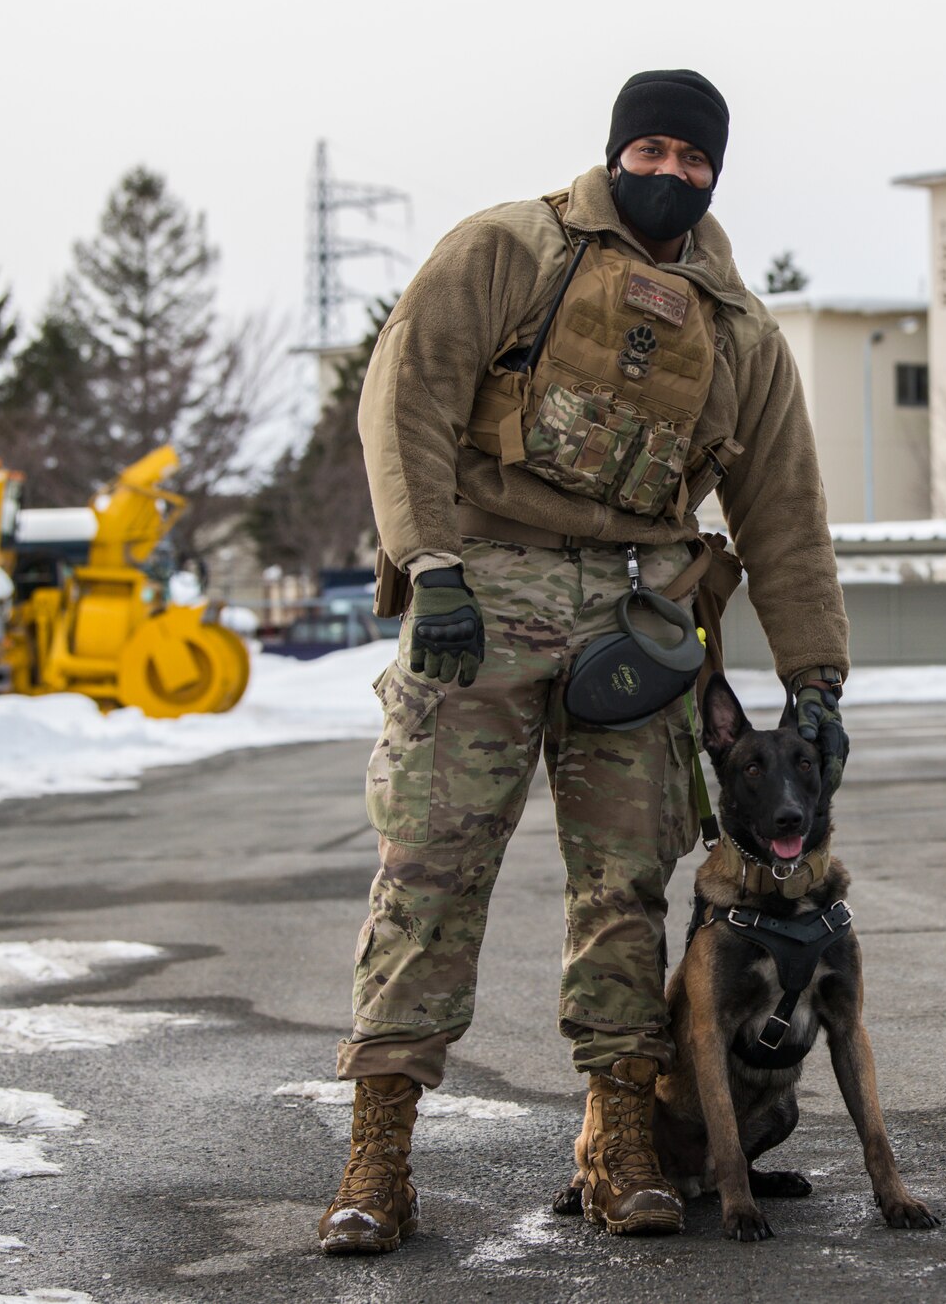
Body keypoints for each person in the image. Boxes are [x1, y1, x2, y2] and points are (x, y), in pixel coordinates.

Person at [317, 68, 850, 1252]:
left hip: (639, 622)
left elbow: (784, 510)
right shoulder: (509, 249)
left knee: (625, 892)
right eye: (650, 149)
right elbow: (403, 396)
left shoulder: (740, 329)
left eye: (693, 159)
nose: (669, 174)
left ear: (717, 171)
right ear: (615, 149)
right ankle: (377, 1157)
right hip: (485, 593)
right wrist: (431, 564)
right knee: (429, 876)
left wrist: (815, 681)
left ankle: (621, 1146)